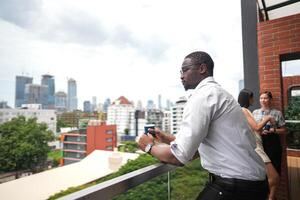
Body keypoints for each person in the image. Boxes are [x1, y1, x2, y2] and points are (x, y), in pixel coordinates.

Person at [138, 51, 268, 200]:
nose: (181, 76)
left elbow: (179, 157)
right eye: (181, 71)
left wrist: (148, 146)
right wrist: (167, 138)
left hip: (235, 186)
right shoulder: (219, 94)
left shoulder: (202, 96)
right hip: (253, 185)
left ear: (202, 69)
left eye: (185, 70)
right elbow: (198, 146)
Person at [238, 89, 279, 200]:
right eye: (253, 97)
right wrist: (268, 118)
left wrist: (263, 131)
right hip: (256, 147)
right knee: (274, 178)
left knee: (267, 178)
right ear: (248, 98)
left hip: (258, 144)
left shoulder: (246, 110)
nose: (255, 100)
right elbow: (256, 127)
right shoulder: (243, 110)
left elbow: (255, 130)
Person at [252, 91, 286, 176]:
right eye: (261, 98)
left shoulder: (277, 113)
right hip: (259, 141)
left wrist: (273, 130)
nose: (263, 100)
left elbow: (283, 130)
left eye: (265, 98)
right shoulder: (255, 112)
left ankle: (274, 185)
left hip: (273, 142)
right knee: (261, 165)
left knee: (274, 165)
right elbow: (252, 127)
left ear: (270, 100)